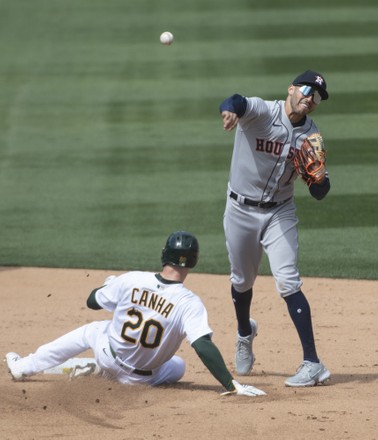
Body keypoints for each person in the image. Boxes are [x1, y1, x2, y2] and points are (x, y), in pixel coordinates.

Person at [4, 231, 266, 397]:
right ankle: (103, 372)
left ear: (165, 255)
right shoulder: (190, 303)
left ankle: (24, 366)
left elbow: (92, 301)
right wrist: (231, 384)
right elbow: (203, 346)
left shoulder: (132, 280)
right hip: (140, 381)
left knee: (92, 330)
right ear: (193, 262)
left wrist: (109, 286)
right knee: (179, 366)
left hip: (109, 358)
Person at [219, 70, 331, 387]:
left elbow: (320, 192)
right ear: (292, 89)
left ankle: (313, 364)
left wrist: (320, 179)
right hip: (240, 209)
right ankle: (244, 333)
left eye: (317, 96)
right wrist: (228, 110)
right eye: (307, 90)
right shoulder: (263, 112)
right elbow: (236, 100)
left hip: (280, 212)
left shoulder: (312, 137)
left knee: (288, 281)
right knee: (241, 281)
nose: (311, 98)